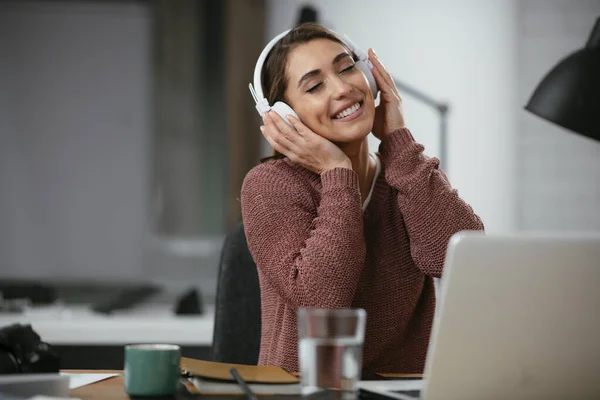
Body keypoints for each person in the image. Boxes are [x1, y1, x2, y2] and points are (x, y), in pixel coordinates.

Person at [240, 23, 484, 374]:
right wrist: (338, 173)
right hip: (307, 393)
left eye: (346, 68)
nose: (343, 88)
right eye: (315, 86)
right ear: (284, 117)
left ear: (370, 77)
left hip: (404, 392)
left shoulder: (407, 173)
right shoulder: (269, 186)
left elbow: (462, 263)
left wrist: (399, 139)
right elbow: (321, 302)